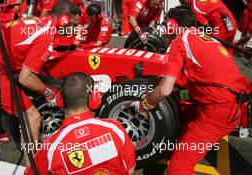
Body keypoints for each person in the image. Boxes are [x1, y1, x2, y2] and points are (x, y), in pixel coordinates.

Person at [130, 6, 251, 175]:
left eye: (167, 24)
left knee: (178, 168)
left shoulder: (180, 42)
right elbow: (202, 78)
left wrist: (144, 105)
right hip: (231, 100)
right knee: (186, 113)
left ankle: (183, 153)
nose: (165, 28)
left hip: (220, 110)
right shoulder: (207, 38)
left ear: (173, 24)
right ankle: (179, 145)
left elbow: (165, 90)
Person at [0, 0, 76, 152]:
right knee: (32, 117)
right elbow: (25, 78)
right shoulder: (47, 36)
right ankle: (31, 167)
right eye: (73, 24)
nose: (73, 28)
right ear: (64, 19)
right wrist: (49, 93)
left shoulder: (39, 20)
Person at [24, 72, 136, 175]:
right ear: (94, 98)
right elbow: (130, 169)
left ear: (60, 101)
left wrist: (27, 144)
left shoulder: (50, 147)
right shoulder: (115, 129)